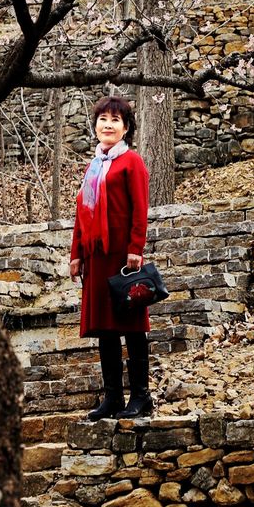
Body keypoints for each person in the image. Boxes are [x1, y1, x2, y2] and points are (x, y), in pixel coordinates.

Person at [70, 96, 152, 421]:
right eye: (103, 119)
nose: (108, 124)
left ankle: (141, 396)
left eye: (115, 120)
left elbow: (140, 209)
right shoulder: (93, 167)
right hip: (96, 258)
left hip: (122, 257)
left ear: (126, 128)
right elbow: (82, 213)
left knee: (131, 327)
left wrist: (136, 248)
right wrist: (76, 254)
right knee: (105, 329)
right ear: (95, 126)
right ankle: (113, 398)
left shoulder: (131, 162)